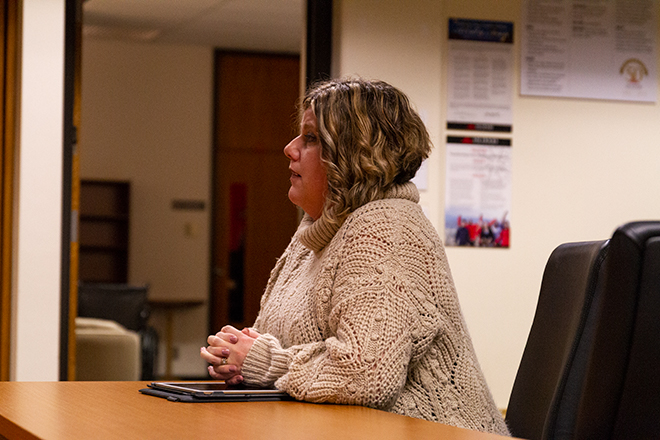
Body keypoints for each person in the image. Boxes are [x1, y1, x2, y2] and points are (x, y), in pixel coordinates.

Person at [200, 78, 509, 435]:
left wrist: (265, 363)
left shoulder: (386, 226)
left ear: (354, 154)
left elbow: (367, 374)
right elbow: (278, 346)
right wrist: (241, 357)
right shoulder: (315, 233)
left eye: (311, 138)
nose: (290, 149)